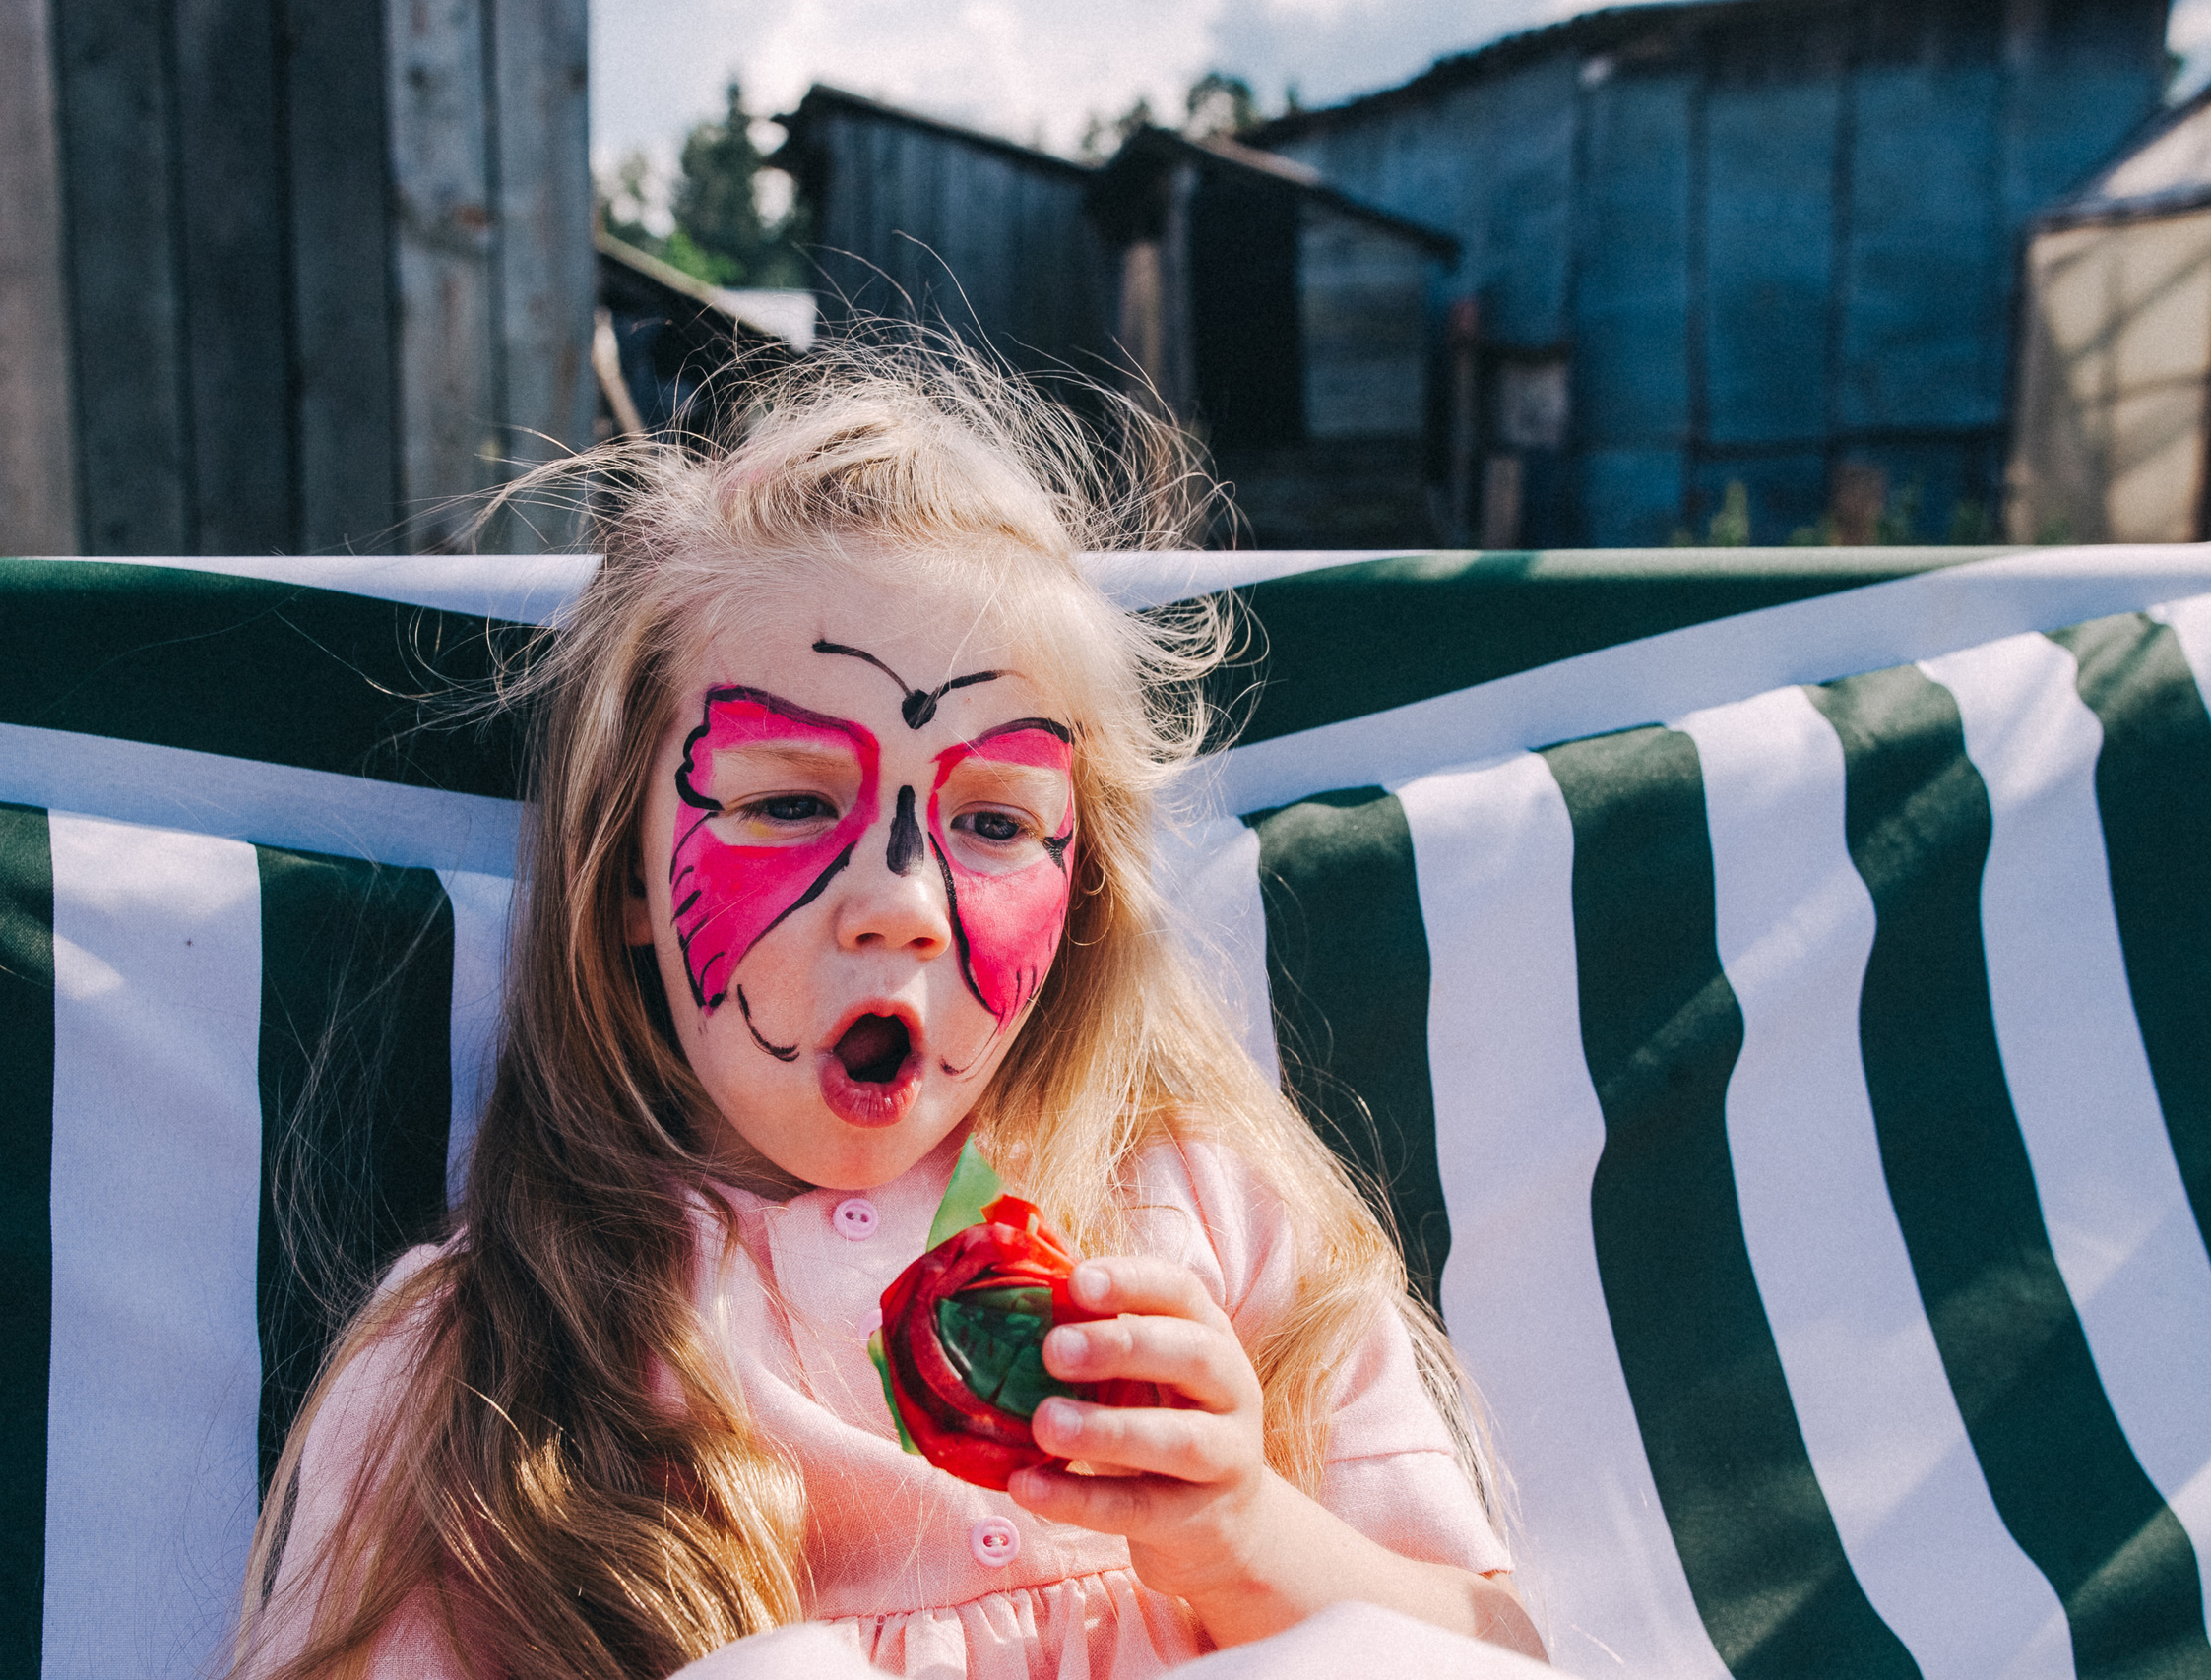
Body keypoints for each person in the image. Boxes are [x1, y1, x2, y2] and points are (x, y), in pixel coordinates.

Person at [232, 339, 1548, 1680]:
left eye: (992, 819)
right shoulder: (504, 1350)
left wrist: (1236, 1526)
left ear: (1079, 883)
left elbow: (1493, 1652)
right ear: (624, 876)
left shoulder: (1200, 1219)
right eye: (791, 803)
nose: (904, 900)